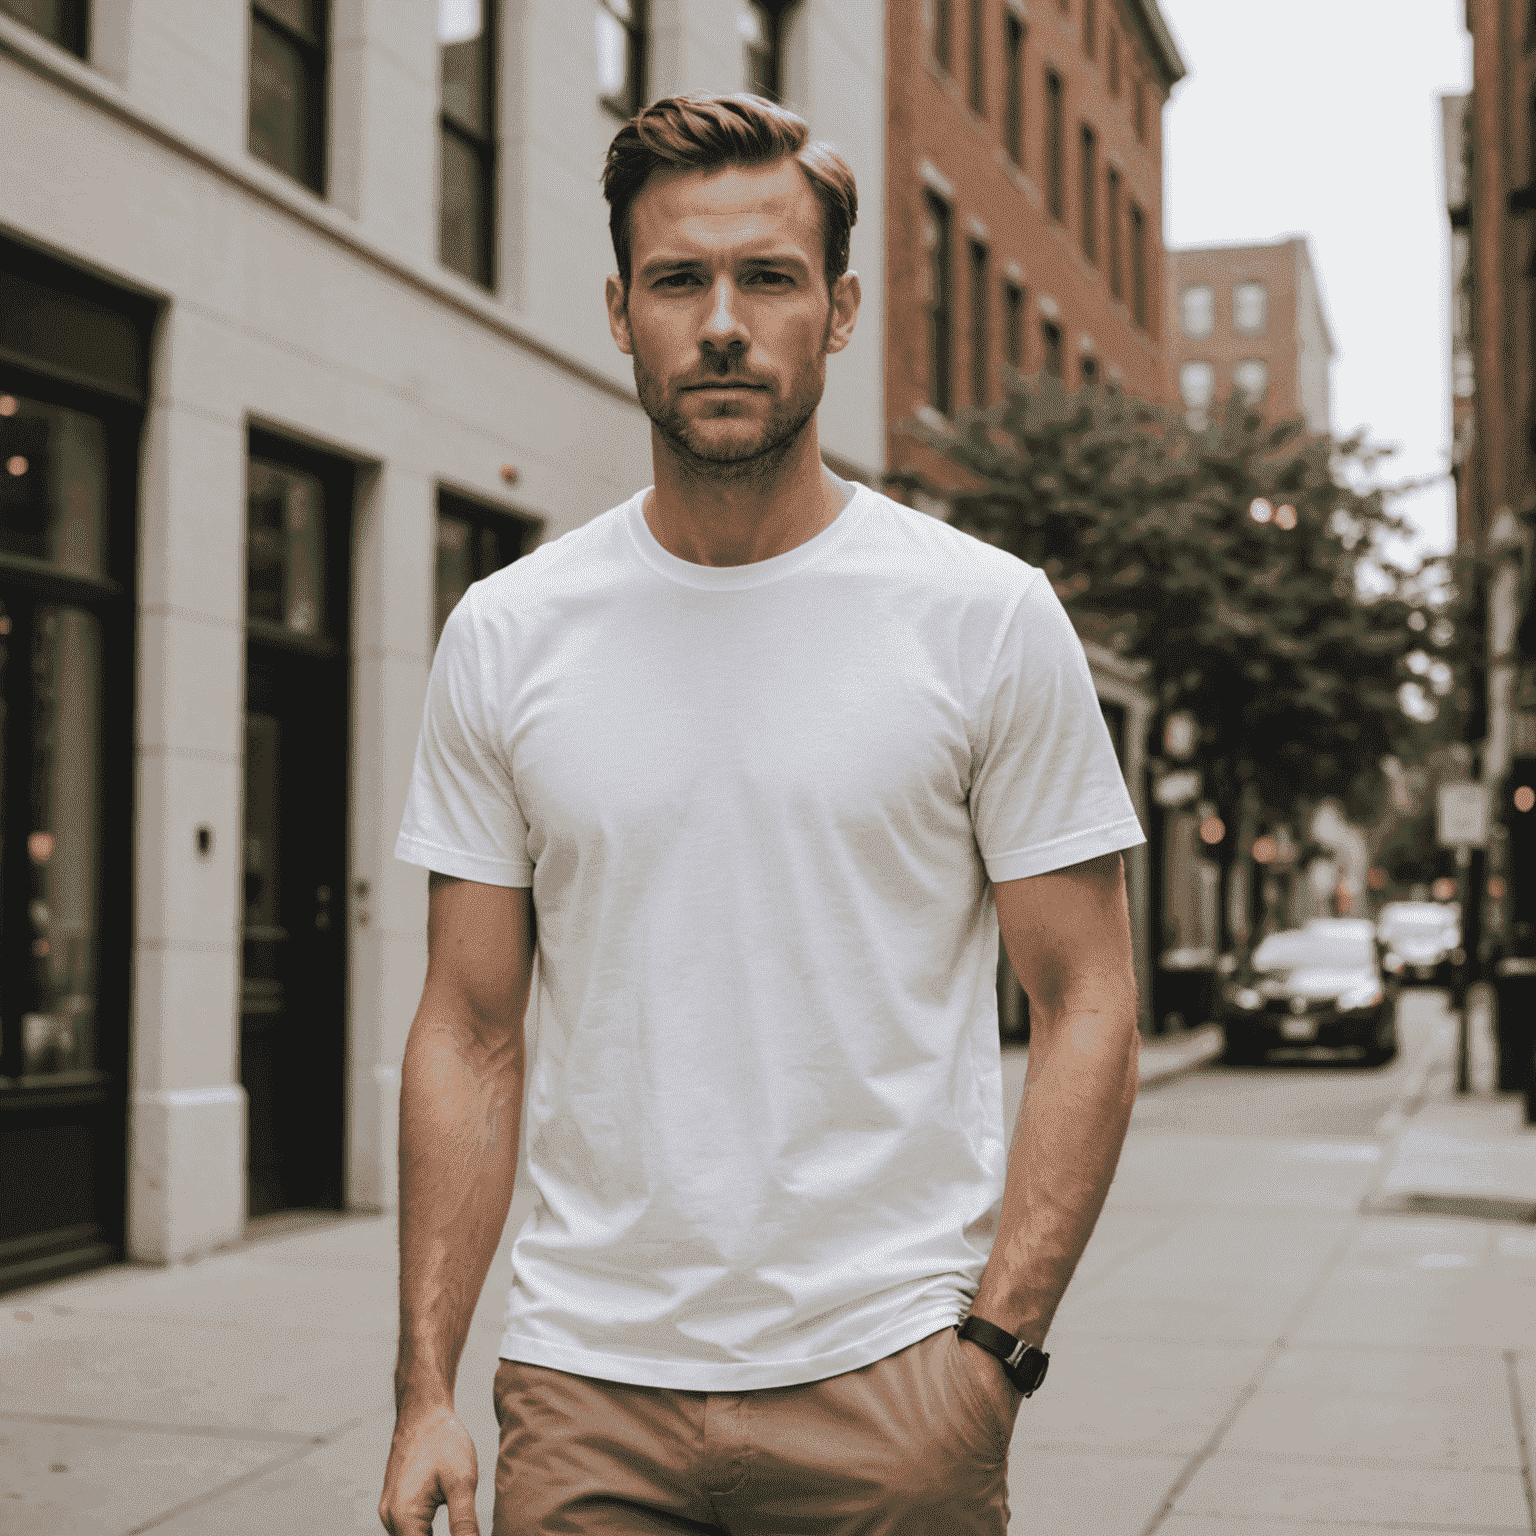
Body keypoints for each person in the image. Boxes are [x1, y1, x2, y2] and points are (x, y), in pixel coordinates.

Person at [379, 92, 1144, 1536]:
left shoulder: (986, 618)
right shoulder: (507, 632)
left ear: (840, 310)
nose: (722, 322)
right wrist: (427, 1386)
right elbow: (471, 1029)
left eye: (769, 278)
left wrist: (994, 1352)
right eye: (679, 279)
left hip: (893, 1384)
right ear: (620, 309)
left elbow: (1090, 998)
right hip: (586, 1387)